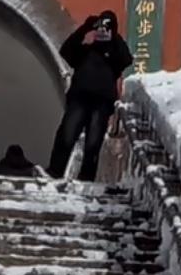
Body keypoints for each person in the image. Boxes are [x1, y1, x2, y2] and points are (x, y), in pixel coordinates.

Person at [48, 10, 133, 182]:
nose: (102, 31)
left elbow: (127, 59)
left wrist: (114, 36)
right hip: (79, 99)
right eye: (100, 27)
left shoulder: (115, 56)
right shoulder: (85, 52)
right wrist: (85, 28)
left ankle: (86, 179)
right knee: (66, 136)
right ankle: (54, 172)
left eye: (106, 28)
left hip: (101, 104)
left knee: (93, 144)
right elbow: (66, 50)